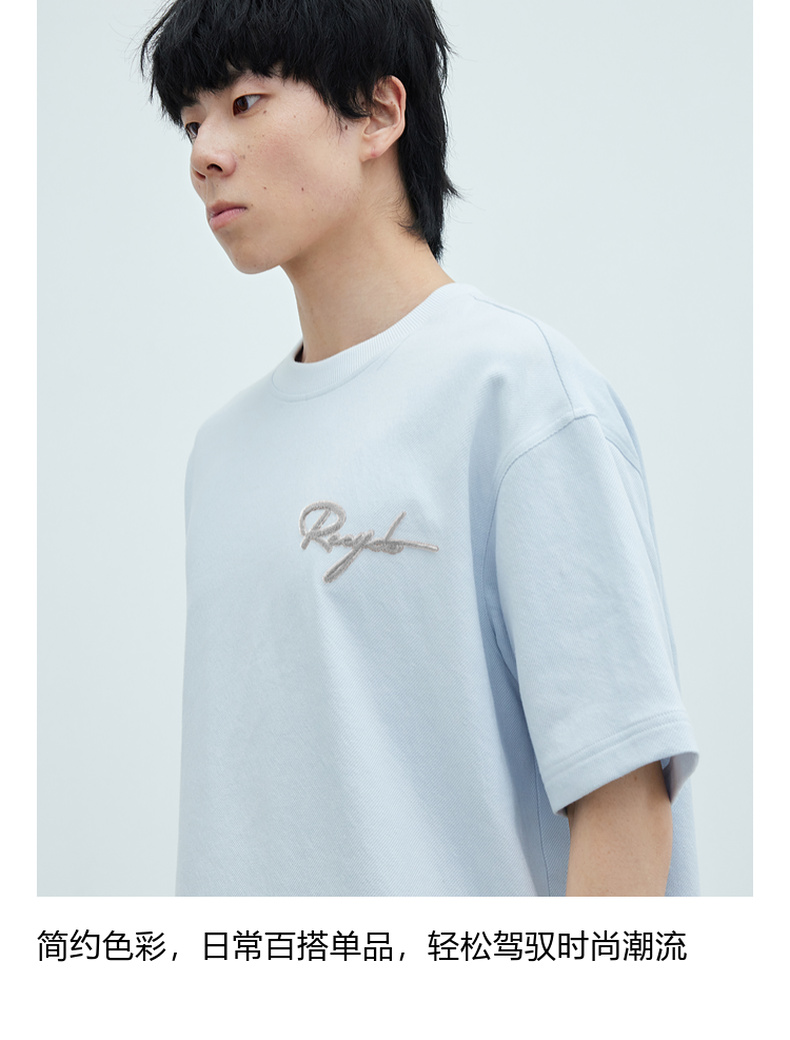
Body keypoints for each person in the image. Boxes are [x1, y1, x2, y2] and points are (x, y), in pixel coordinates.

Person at [140, 0, 699, 896]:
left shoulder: (516, 392)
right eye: (192, 120)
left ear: (377, 113)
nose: (205, 152)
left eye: (244, 103)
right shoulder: (221, 454)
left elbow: (624, 800)